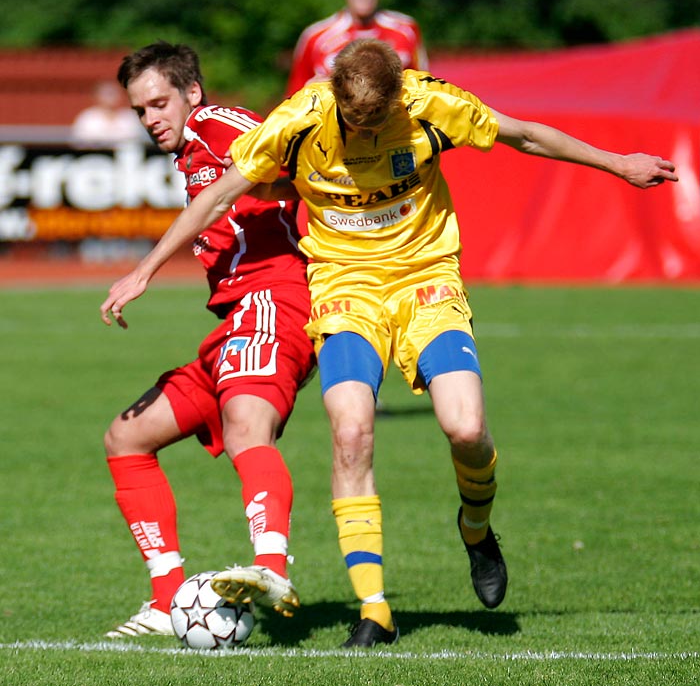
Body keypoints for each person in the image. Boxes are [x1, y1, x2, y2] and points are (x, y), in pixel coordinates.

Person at [100, 39, 678, 647]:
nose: (368, 133)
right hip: (341, 289)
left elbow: (525, 135)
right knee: (333, 431)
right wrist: (146, 268)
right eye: (356, 122)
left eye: (158, 104)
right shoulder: (301, 119)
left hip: (410, 285)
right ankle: (368, 609)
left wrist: (618, 163)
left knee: (466, 429)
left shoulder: (426, 104)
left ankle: (470, 530)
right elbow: (233, 189)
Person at [101, 41, 315, 638]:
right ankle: (169, 598)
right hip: (234, 321)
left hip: (276, 299)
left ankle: (272, 569)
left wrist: (142, 270)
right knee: (127, 436)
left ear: (192, 93)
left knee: (250, 424)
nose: (151, 119)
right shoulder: (190, 150)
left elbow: (294, 163)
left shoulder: (219, 123)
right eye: (141, 110)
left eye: (159, 103)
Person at [286, 0, 428, 96]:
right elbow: (293, 100)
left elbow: (425, 88)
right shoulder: (315, 37)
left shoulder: (406, 29)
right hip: (334, 135)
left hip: (394, 133)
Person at [71, 80, 146, 146]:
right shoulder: (87, 118)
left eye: (113, 93)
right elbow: (80, 142)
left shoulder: (129, 117)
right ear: (97, 96)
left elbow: (136, 139)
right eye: (106, 94)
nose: (110, 98)